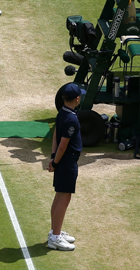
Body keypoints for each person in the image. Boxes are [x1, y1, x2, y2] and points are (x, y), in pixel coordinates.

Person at [48, 82, 84, 251]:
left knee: (59, 196)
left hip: (61, 160)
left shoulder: (63, 112)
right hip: (67, 162)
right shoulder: (72, 119)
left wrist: (53, 157)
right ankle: (55, 238)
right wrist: (56, 161)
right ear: (77, 99)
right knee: (64, 197)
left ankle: (56, 231)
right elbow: (63, 144)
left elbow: (56, 135)